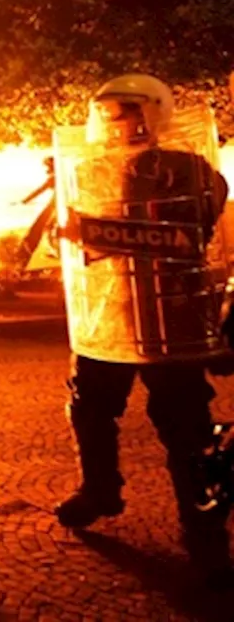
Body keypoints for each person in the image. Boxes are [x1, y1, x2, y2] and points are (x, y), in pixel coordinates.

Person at [52, 74, 232, 585]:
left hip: (172, 318)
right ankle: (99, 489)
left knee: (187, 430)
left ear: (154, 114)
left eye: (126, 112)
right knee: (89, 407)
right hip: (108, 315)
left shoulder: (191, 169)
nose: (115, 123)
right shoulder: (85, 172)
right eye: (107, 114)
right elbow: (70, 237)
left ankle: (205, 534)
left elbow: (200, 226)